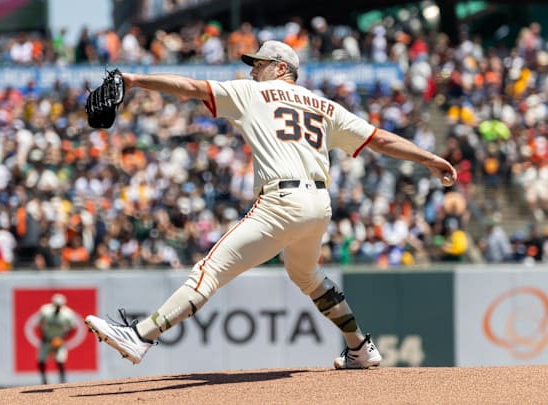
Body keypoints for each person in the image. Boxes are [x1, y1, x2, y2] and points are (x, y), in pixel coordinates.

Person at [84, 40, 457, 369]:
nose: (252, 69)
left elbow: (190, 87)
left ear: (281, 68)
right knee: (307, 276)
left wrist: (134, 79)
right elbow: (380, 140)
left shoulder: (253, 93)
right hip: (318, 205)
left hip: (281, 201)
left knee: (209, 270)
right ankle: (360, 347)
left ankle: (141, 335)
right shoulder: (324, 105)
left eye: (259, 63)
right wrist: (430, 159)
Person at [37, 293, 81, 384]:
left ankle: (62, 380)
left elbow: (72, 327)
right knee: (41, 360)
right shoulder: (46, 311)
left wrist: (63, 337)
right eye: (56, 305)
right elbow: (40, 323)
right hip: (47, 340)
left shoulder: (67, 314)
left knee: (60, 360)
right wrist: (43, 336)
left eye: (59, 306)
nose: (57, 307)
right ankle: (44, 380)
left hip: (59, 341)